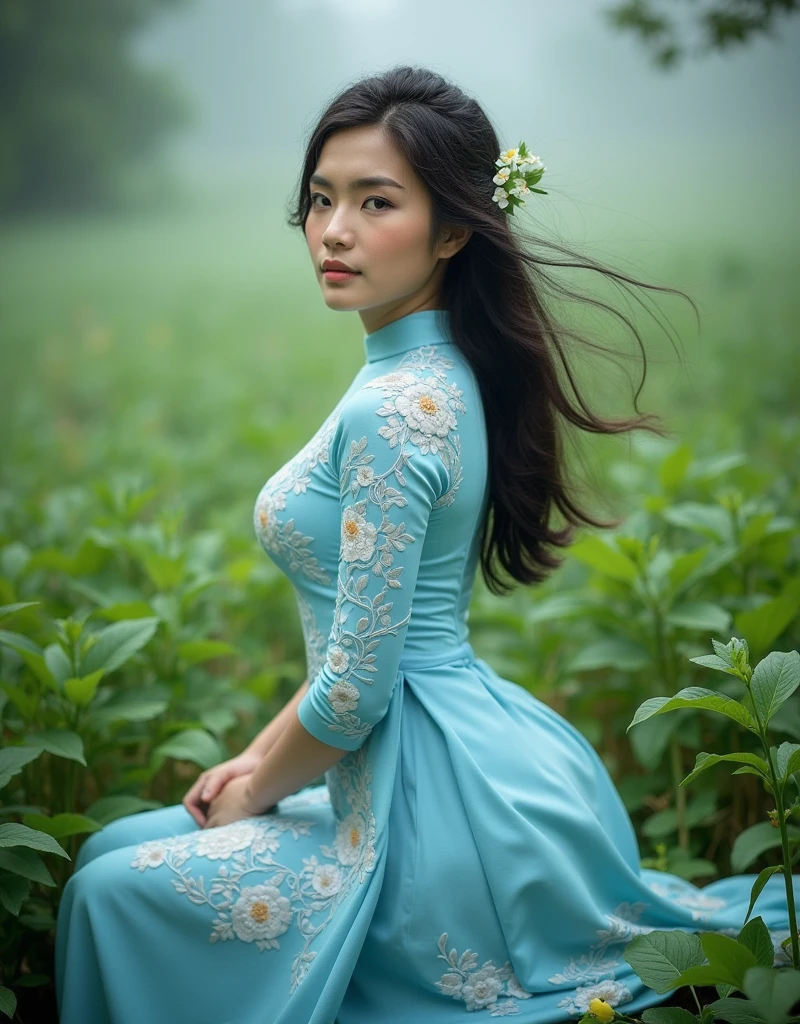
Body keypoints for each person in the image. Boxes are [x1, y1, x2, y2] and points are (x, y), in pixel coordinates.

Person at [55, 64, 795, 1024]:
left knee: (104, 891)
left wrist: (253, 786)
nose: (334, 230)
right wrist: (253, 760)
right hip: (413, 757)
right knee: (111, 855)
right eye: (321, 200)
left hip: (427, 803)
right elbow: (364, 654)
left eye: (375, 202)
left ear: (452, 231)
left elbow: (361, 684)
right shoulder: (429, 372)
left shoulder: (399, 407)